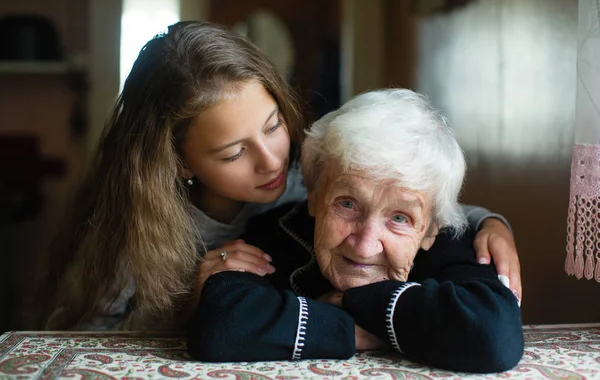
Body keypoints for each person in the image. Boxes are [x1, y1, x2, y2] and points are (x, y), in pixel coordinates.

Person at [37, 21, 519, 332]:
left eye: (273, 127)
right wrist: (189, 305)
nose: (271, 161)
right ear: (178, 162)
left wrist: (489, 223)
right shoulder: (132, 232)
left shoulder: (297, 182)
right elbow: (84, 345)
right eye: (233, 153)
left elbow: (403, 198)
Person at [187, 89, 524, 373]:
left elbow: (495, 336)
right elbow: (218, 325)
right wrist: (349, 330)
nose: (364, 246)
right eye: (347, 204)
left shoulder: (454, 244)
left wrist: (354, 301)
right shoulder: (276, 233)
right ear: (316, 195)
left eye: (400, 219)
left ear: (431, 230)